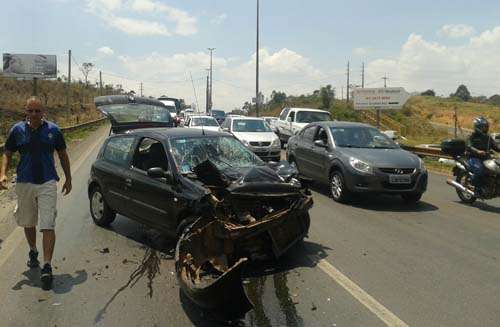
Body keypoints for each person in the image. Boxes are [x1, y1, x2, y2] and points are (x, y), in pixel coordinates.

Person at [0, 97, 72, 287]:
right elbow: (7, 152)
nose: (34, 114)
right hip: (24, 182)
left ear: (43, 112)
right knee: (28, 222)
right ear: (26, 112)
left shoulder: (53, 131)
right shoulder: (17, 130)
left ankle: (47, 266)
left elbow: (63, 154)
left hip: (47, 181)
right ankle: (33, 250)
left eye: (37, 111)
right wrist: (3, 174)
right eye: (30, 111)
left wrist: (69, 178)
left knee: (48, 223)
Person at [467, 116, 500, 195]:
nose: (485, 128)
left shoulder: (488, 137)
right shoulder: (472, 135)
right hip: (473, 157)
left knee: (496, 169)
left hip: (486, 159)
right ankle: (476, 187)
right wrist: (478, 151)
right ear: (478, 127)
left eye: (486, 127)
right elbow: (469, 146)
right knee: (480, 170)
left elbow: (496, 147)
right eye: (484, 127)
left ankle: (492, 186)